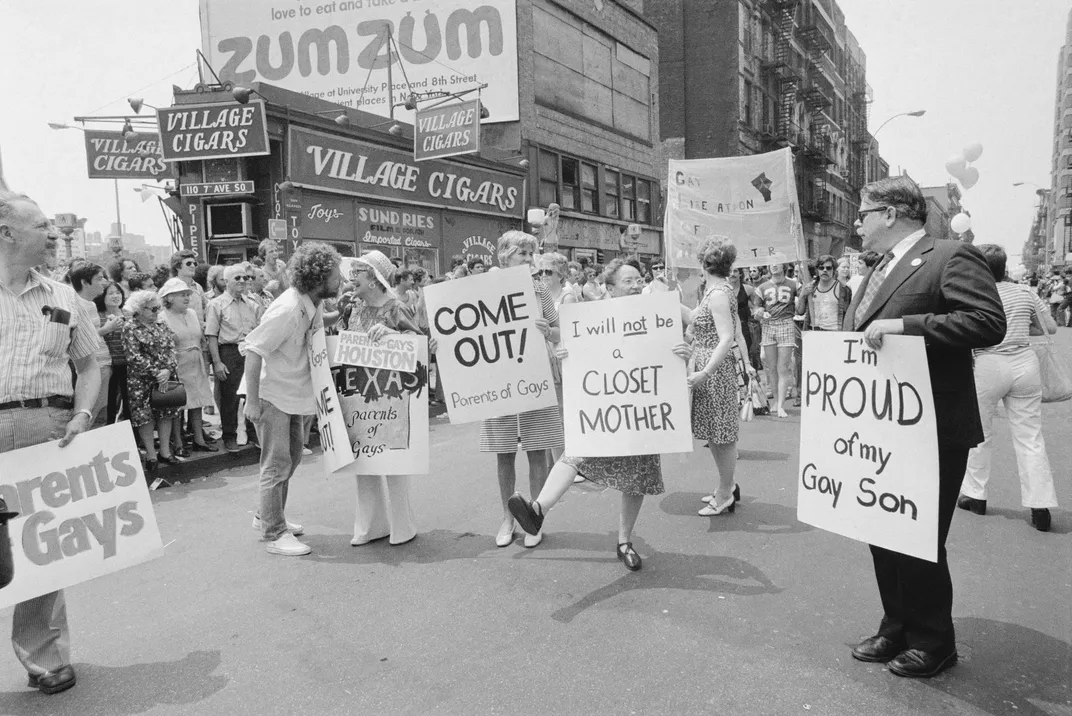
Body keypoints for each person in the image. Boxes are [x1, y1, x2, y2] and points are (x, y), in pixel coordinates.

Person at [844, 175, 1005, 678]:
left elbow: (986, 321)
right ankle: (896, 625)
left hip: (931, 426)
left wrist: (908, 327)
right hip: (880, 430)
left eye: (863, 212)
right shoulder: (876, 270)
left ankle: (935, 640)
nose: (856, 222)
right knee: (880, 528)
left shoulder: (949, 256)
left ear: (891, 213)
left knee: (917, 535)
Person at [507, 259, 693, 571]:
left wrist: (682, 354)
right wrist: (565, 349)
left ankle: (624, 541)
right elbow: (567, 344)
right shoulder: (591, 319)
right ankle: (537, 511)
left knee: (637, 477)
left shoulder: (656, 316)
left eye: (638, 280)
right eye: (628, 281)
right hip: (604, 409)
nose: (635, 286)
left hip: (640, 412)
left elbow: (672, 356)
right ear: (609, 288)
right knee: (576, 453)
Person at [0, 190, 102, 695]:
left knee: (42, 548)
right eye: (41, 225)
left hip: (46, 429)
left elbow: (89, 365)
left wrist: (83, 415)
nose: (52, 233)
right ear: (7, 234)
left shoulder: (64, 298)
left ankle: (45, 656)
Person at [245, 242, 342, 556]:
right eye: (334, 273)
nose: (340, 278)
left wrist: (341, 314)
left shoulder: (309, 303)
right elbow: (254, 348)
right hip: (273, 395)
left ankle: (268, 515)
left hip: (290, 394)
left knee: (293, 458)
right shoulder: (288, 308)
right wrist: (253, 402)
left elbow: (310, 330)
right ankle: (275, 533)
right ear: (317, 278)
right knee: (276, 465)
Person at [958, 245, 1058, 532]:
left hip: (988, 361)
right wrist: (1021, 327)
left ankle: (976, 496)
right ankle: (1040, 505)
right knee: (1030, 436)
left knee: (980, 432)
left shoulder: (976, 295)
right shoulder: (1025, 293)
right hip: (1024, 363)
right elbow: (1049, 328)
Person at [477, 231, 562, 548]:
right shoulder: (484, 288)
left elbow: (558, 331)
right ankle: (507, 518)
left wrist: (547, 330)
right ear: (504, 256)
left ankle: (534, 518)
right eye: (521, 254)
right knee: (504, 453)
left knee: (537, 450)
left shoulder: (539, 289)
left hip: (534, 374)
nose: (528, 259)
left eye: (530, 253)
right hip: (498, 378)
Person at [342, 250, 421, 546]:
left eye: (358, 273)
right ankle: (370, 525)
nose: (352, 278)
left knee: (393, 460)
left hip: (391, 390)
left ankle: (403, 525)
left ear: (374, 279)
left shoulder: (395, 308)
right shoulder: (353, 307)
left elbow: (421, 344)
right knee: (363, 461)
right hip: (359, 390)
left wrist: (392, 335)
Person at [687, 239, 751, 516]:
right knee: (715, 434)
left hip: (714, 370)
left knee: (722, 435)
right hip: (709, 366)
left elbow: (726, 338)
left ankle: (725, 493)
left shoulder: (718, 293)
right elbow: (697, 318)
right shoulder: (715, 290)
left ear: (704, 263)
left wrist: (706, 371)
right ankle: (728, 485)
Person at [123, 290, 184, 471]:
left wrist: (168, 369)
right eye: (152, 309)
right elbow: (133, 356)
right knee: (144, 416)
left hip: (165, 377)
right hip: (141, 380)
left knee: (166, 412)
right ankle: (150, 453)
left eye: (158, 308)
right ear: (140, 310)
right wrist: (156, 372)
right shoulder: (130, 327)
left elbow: (172, 348)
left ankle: (165, 451)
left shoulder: (161, 324)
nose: (157, 312)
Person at [206, 263, 263, 452]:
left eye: (245, 278)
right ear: (226, 281)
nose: (242, 281)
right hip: (228, 352)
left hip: (249, 350)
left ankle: (253, 434)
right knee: (229, 397)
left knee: (252, 394)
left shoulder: (253, 304)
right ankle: (229, 436)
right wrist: (217, 363)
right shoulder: (216, 304)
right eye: (237, 278)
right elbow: (212, 336)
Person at [158, 278, 217, 454]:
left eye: (187, 294)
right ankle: (178, 442)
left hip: (195, 360)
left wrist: (205, 361)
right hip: (177, 363)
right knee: (178, 405)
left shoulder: (191, 313)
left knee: (197, 400)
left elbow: (200, 337)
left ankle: (199, 439)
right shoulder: (163, 317)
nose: (186, 298)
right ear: (169, 298)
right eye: (181, 295)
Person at [753, 262, 799, 417]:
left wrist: (805, 294)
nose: (774, 266)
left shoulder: (794, 284)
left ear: (783, 266)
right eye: (771, 263)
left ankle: (781, 405)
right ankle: (776, 400)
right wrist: (759, 312)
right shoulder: (762, 287)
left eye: (777, 263)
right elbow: (756, 308)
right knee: (771, 368)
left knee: (783, 368)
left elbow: (801, 308)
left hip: (786, 324)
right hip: (768, 325)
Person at [69, 262, 113, 424]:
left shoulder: (91, 304)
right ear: (84, 282)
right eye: (99, 279)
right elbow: (78, 339)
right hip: (92, 366)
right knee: (90, 413)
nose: (104, 282)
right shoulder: (76, 305)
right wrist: (107, 328)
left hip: (103, 363)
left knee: (102, 412)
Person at [94, 281, 129, 423]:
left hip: (128, 364)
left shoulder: (129, 313)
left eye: (118, 292)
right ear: (103, 296)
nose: (116, 296)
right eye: (111, 293)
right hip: (109, 365)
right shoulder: (99, 316)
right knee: (109, 403)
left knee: (128, 403)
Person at [797, 254, 852, 332]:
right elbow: (800, 312)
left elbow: (848, 316)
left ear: (834, 270)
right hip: (813, 331)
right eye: (821, 268)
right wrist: (802, 295)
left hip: (834, 332)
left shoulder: (843, 289)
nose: (825, 270)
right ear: (817, 270)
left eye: (828, 268)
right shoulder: (810, 287)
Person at [169, 250, 207, 321]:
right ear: (178, 266)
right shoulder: (171, 287)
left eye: (195, 263)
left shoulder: (198, 287)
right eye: (189, 263)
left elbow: (206, 309)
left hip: (199, 330)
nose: (193, 266)